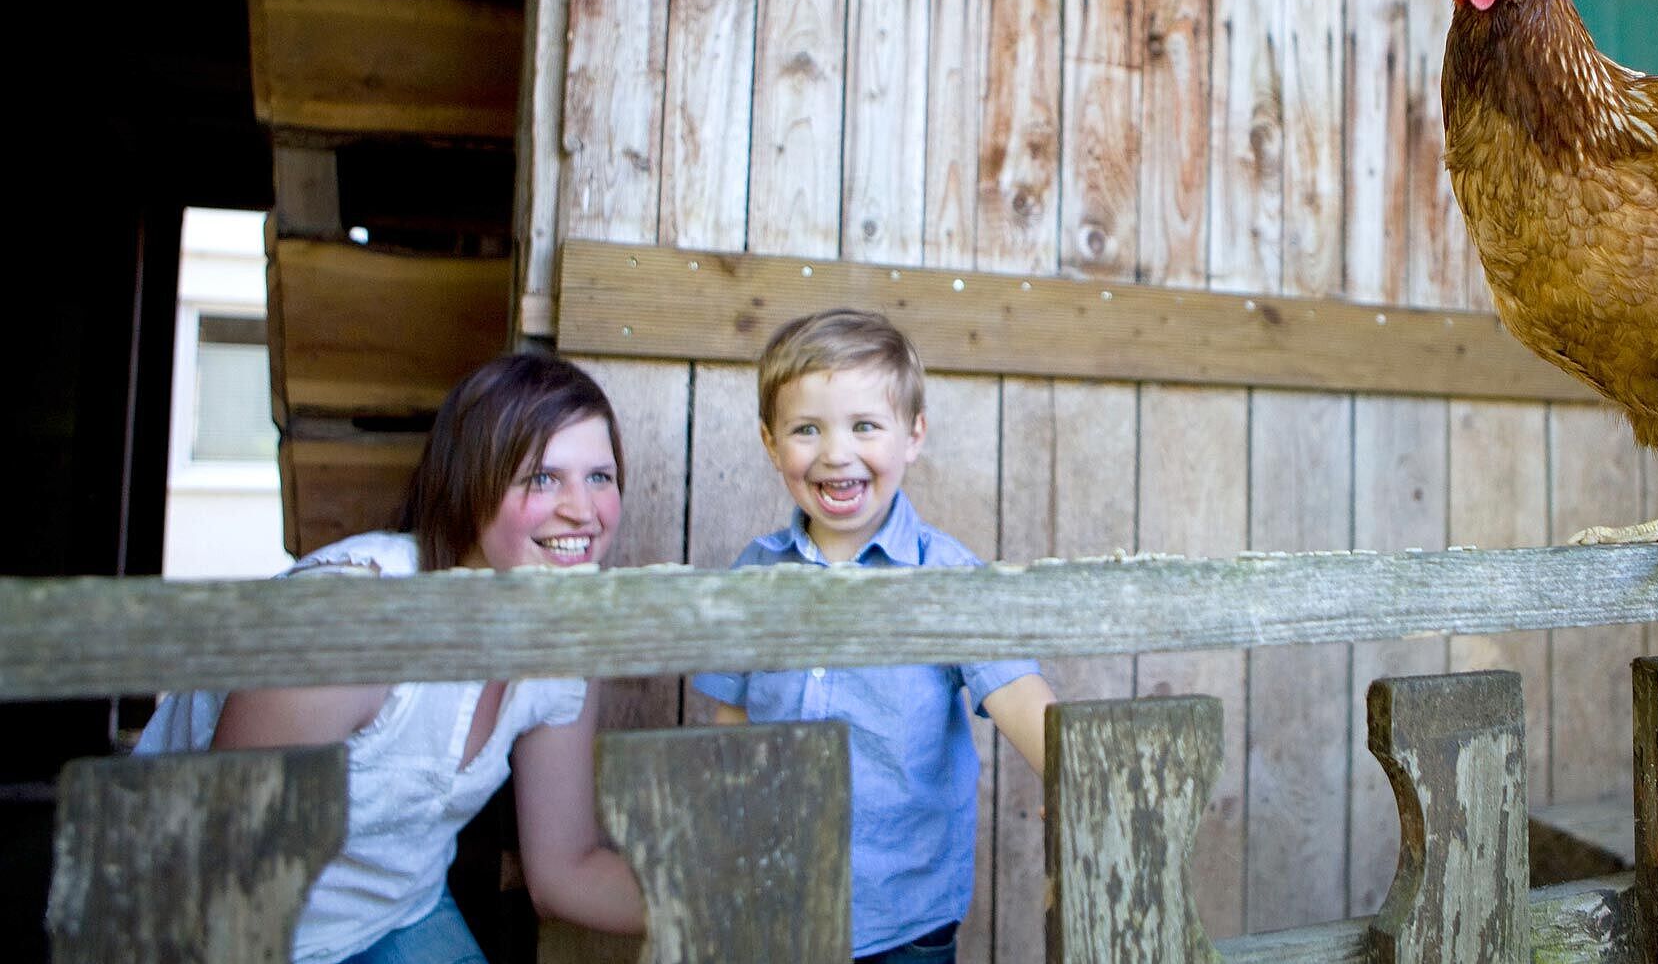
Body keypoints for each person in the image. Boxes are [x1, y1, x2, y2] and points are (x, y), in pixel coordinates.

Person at [136, 353, 647, 963]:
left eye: (600, 476)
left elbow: (566, 872)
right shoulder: (343, 628)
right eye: (541, 478)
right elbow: (216, 884)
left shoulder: (571, 632)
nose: (584, 511)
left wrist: (744, 899)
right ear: (468, 484)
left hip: (394, 911)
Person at [694, 309, 1056, 964]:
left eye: (864, 426)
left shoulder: (944, 577)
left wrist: (1073, 780)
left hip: (902, 916)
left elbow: (1021, 696)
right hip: (776, 903)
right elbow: (733, 718)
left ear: (913, 434)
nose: (835, 452)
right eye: (807, 429)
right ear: (771, 442)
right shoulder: (755, 572)